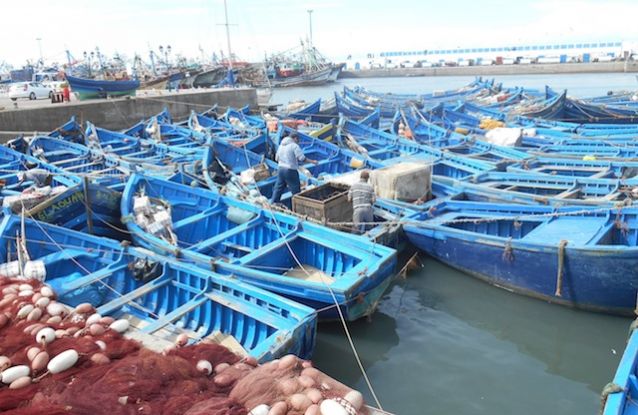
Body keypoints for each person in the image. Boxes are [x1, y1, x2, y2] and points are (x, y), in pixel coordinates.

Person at [270, 132, 316, 204]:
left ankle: (273, 203)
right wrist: (312, 161)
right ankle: (298, 206)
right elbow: (302, 158)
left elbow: (276, 158)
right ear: (295, 138)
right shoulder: (294, 146)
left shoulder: (281, 145)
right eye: (298, 140)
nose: (298, 142)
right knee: (295, 190)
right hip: (290, 170)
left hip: (281, 169)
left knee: (278, 188)